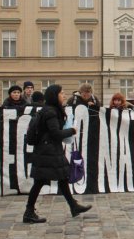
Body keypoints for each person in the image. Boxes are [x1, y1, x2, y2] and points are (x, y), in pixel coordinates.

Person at [23, 84, 91, 223]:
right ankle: (29, 212)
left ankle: (73, 206)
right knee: (41, 181)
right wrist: (72, 130)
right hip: (48, 152)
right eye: (61, 93)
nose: (64, 95)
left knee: (62, 178)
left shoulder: (50, 110)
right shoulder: (50, 112)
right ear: (54, 96)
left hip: (49, 150)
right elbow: (55, 134)